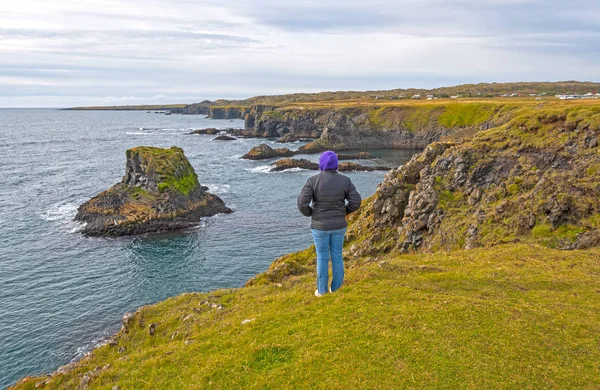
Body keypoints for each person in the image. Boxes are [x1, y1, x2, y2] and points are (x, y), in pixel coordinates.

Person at [297, 151, 362, 297]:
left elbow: (302, 203)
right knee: (337, 255)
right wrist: (344, 211)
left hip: (320, 226)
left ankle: (322, 291)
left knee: (322, 257)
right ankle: (336, 288)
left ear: (321, 164)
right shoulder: (345, 180)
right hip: (339, 225)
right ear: (336, 164)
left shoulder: (312, 181)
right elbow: (356, 201)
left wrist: (310, 213)